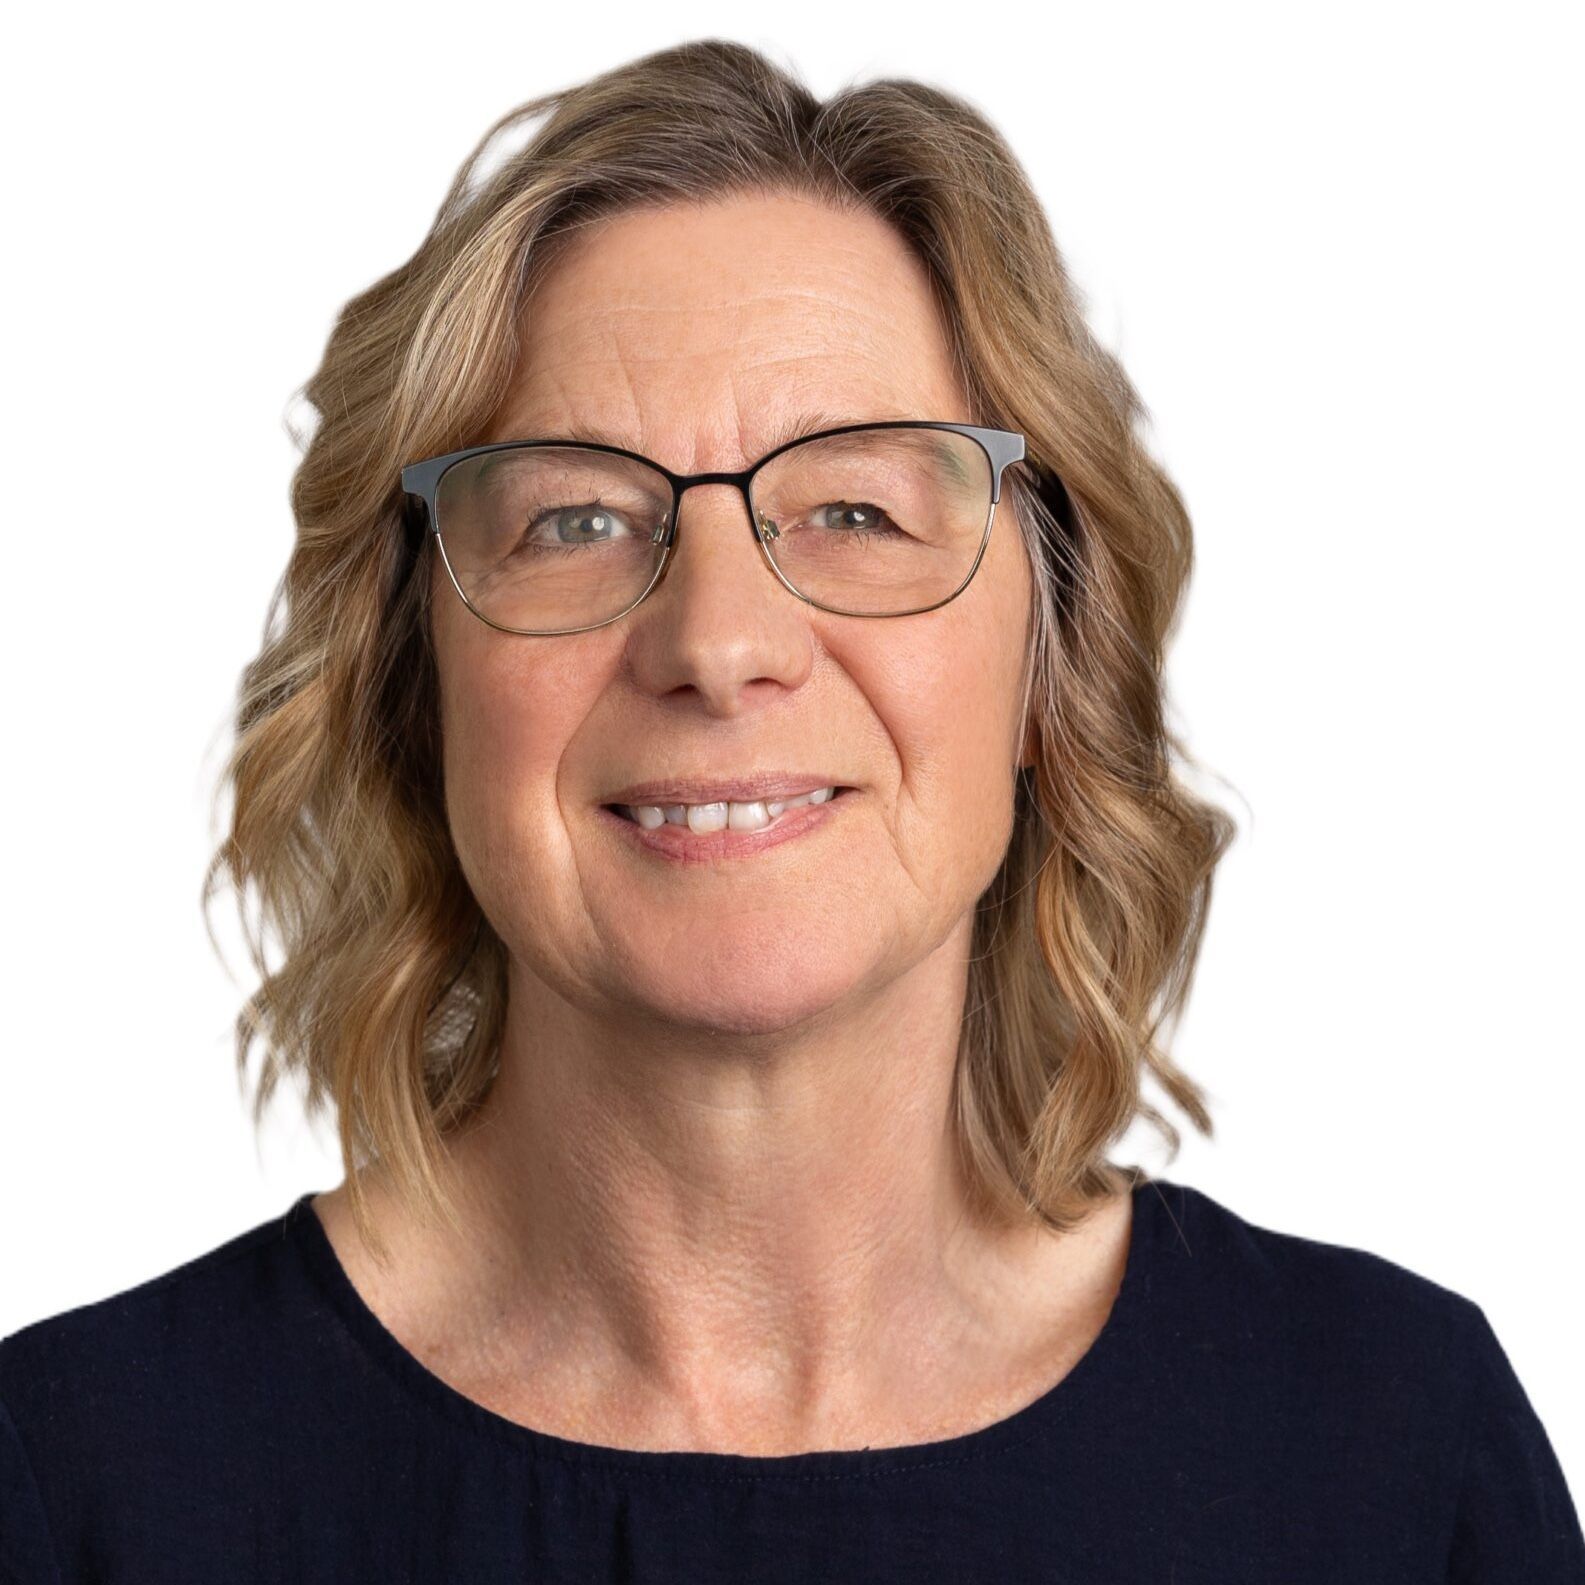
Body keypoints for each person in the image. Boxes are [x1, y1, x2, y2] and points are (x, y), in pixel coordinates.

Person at [2, 38, 1580, 1583]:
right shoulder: (80, 1487)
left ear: (1048, 659)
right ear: (416, 681)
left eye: (853, 510)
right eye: (573, 515)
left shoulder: (1389, 1459)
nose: (719, 644)